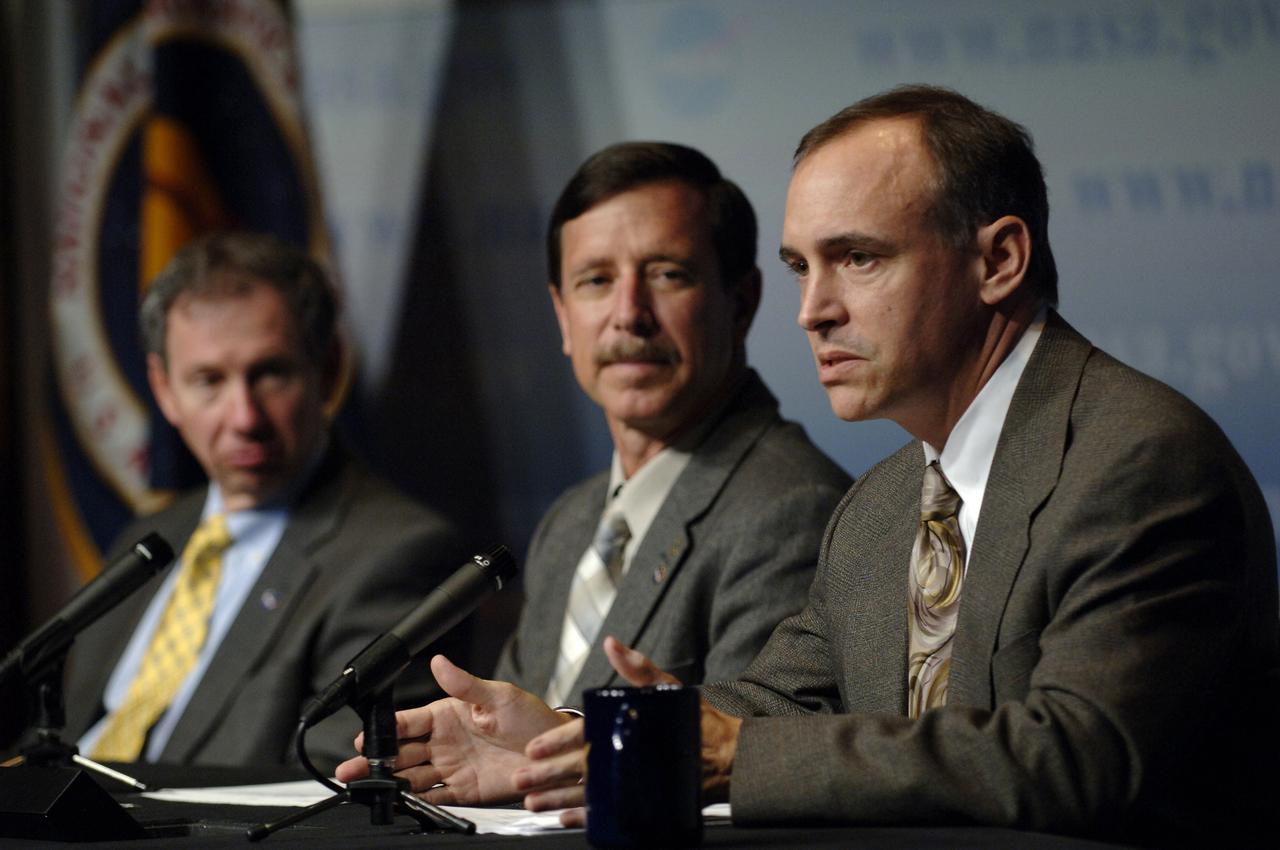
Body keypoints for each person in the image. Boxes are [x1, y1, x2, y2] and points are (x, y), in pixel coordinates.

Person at [378, 88, 1277, 845]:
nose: (813, 311)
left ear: (999, 260)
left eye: (858, 258)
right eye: (802, 266)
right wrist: (571, 739)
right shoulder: (888, 502)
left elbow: (1078, 756)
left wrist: (728, 754)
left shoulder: (1136, 459)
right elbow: (773, 705)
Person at [335, 142, 850, 798]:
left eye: (667, 274)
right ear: (563, 317)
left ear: (741, 302)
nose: (628, 314)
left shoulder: (792, 506)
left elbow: (751, 744)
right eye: (596, 280)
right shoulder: (572, 519)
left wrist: (567, 740)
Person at [64, 232, 464, 771]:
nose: (244, 418)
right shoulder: (146, 539)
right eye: (209, 380)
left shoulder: (398, 555)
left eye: (270, 373)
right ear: (164, 391)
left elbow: (329, 786)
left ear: (327, 370)